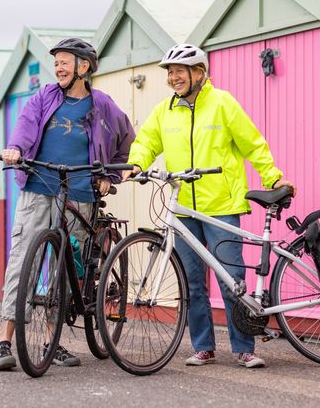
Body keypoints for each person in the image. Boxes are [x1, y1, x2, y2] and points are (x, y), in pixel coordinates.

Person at [123, 43, 295, 369]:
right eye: (170, 73)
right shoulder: (164, 111)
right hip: (183, 208)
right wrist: (136, 163)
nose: (173, 78)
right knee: (192, 283)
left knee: (231, 279)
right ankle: (204, 346)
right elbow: (146, 141)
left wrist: (273, 177)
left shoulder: (222, 103)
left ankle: (244, 347)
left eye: (179, 71)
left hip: (221, 204)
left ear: (199, 73)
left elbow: (252, 143)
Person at [0, 38, 135, 371]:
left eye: (64, 62)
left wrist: (110, 178)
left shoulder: (102, 106)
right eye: (55, 62)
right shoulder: (44, 97)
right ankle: (4, 342)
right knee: (22, 262)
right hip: (39, 187)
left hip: (81, 195)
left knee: (67, 270)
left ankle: (51, 342)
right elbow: (25, 129)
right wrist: (15, 149)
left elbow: (126, 144)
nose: (57, 68)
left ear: (83, 67)